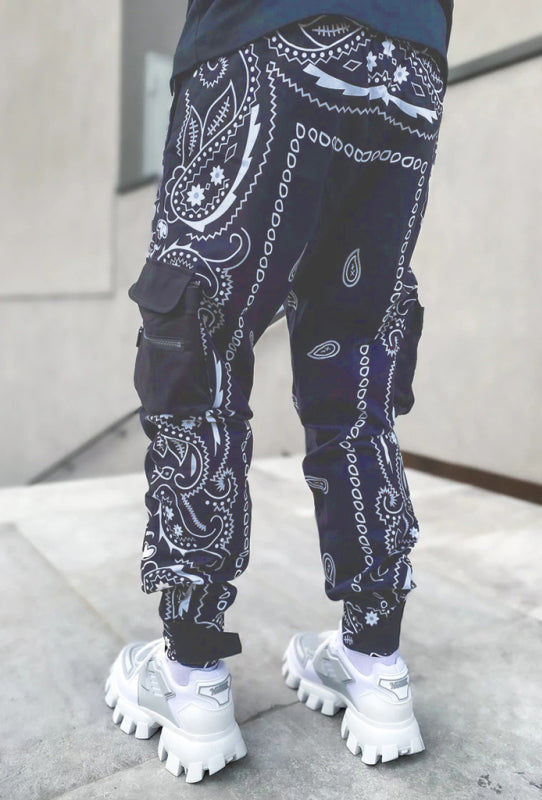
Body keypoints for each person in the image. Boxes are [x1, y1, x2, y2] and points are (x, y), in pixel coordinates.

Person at [104, 0, 453, 783]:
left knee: (197, 334)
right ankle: (375, 661)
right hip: (409, 61)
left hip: (263, 34)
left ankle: (190, 671)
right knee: (356, 352)